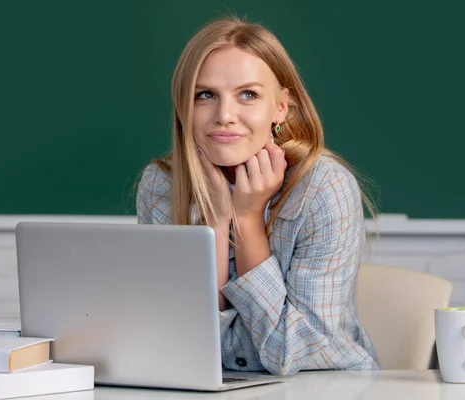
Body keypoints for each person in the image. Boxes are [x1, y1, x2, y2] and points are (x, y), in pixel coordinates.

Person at [136, 16, 379, 376]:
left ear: (281, 106)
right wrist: (216, 225)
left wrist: (248, 220)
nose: (225, 116)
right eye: (205, 95)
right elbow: (178, 346)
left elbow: (292, 353)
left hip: (325, 388)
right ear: (183, 107)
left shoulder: (324, 189)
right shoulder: (161, 186)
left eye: (247, 95)